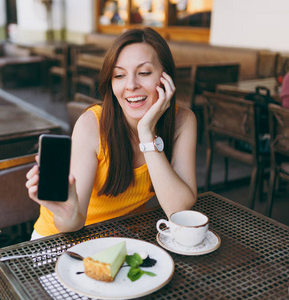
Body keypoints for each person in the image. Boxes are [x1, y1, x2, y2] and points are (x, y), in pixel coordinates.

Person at [26, 27, 198, 238]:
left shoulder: (182, 122)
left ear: (166, 77)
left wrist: (146, 133)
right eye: (119, 75)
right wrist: (67, 213)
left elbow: (179, 211)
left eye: (144, 73)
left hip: (123, 241)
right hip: (59, 241)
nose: (131, 85)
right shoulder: (92, 125)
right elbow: (71, 223)